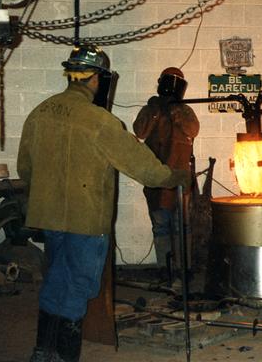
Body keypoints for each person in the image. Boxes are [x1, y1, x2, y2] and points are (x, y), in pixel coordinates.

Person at [18, 45, 191, 362]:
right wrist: (176, 177)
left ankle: (42, 351)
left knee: (56, 279)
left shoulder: (40, 112)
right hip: (86, 222)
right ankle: (64, 357)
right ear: (97, 79)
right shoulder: (100, 122)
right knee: (78, 288)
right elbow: (146, 170)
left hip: (49, 218)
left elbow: (24, 169)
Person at [133, 67, 199, 274]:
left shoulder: (185, 110)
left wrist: (175, 110)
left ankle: (184, 269)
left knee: (183, 227)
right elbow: (140, 131)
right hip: (157, 179)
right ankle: (165, 268)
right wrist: (155, 110)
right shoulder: (150, 108)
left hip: (180, 178)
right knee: (161, 226)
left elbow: (192, 130)